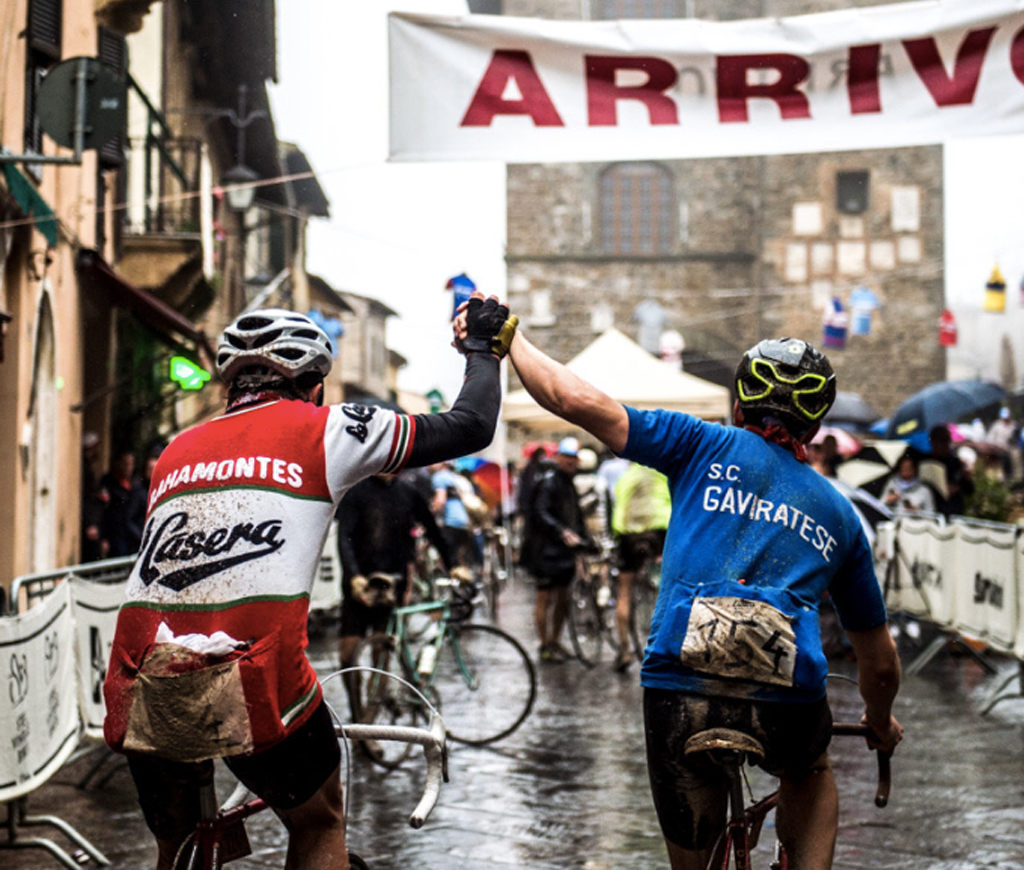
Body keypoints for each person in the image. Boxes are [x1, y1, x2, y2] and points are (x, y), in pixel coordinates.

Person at [103, 296, 517, 870]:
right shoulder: (328, 428)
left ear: (230, 385)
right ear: (314, 384)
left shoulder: (174, 451)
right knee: (320, 820)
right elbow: (470, 425)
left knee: (180, 846)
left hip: (141, 671)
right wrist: (482, 347)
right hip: (255, 675)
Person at [494, 328, 902, 870]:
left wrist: (510, 337)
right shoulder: (840, 513)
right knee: (811, 771)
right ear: (816, 424)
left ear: (737, 405)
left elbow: (573, 399)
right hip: (786, 700)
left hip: (680, 685)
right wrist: (879, 718)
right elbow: (878, 659)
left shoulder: (697, 443)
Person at [336, 471, 469, 725]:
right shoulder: (356, 491)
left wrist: (452, 564)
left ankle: (367, 725)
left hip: (392, 584)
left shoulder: (407, 492)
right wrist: (353, 576)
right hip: (360, 585)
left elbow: (431, 528)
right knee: (348, 655)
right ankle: (357, 713)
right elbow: (345, 537)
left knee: (381, 653)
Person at [521, 436, 588, 663]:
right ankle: (545, 644)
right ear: (558, 458)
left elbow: (576, 516)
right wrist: (562, 532)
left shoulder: (568, 484)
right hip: (545, 551)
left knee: (562, 598)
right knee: (545, 598)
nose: (571, 462)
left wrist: (584, 539)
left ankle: (555, 641)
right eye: (567, 457)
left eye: (574, 458)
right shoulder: (549, 482)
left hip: (563, 551)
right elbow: (540, 513)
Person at [610, 461, 670, 673]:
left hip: (628, 534)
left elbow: (617, 500)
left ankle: (624, 650)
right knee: (668, 588)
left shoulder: (627, 475)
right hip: (658, 531)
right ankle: (666, 648)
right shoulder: (661, 471)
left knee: (624, 591)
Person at [99, 449, 148, 557]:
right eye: (125, 464)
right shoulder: (109, 483)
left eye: (131, 464)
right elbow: (104, 511)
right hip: (115, 532)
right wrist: (104, 536)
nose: (128, 468)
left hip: (130, 535)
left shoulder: (135, 484)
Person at [928, 423, 974, 516]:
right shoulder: (927, 461)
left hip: (954, 510)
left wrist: (965, 479)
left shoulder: (956, 462)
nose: (943, 445)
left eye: (945, 441)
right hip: (934, 510)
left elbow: (969, 490)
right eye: (939, 441)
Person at [80, 431, 107, 563]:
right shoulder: (84, 469)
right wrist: (90, 523)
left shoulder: (88, 467)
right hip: (90, 522)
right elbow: (86, 496)